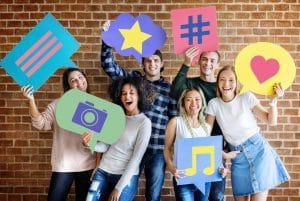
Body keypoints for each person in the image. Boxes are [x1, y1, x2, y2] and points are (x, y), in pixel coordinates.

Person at [101, 21, 178, 201]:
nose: (152, 64)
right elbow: (109, 66)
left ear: (161, 64)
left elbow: (174, 119)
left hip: (157, 149)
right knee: (125, 190)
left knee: (153, 195)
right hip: (129, 147)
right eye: (148, 60)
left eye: (155, 61)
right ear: (143, 64)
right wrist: (106, 41)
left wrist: (169, 149)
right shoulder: (134, 80)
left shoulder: (170, 89)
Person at [206, 65, 290, 201]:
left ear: (236, 82)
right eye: (222, 79)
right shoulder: (214, 104)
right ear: (218, 82)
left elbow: (271, 121)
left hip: (259, 152)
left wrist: (273, 102)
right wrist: (222, 154)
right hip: (237, 157)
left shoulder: (246, 97)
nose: (226, 84)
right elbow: (205, 135)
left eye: (231, 80)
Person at [21, 68, 96, 201]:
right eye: (73, 80)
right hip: (64, 164)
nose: (79, 81)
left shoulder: (96, 105)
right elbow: (40, 124)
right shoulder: (58, 105)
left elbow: (101, 140)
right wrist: (31, 100)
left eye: (80, 77)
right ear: (69, 86)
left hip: (88, 164)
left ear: (85, 78)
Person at [82, 77, 154, 201]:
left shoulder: (144, 123)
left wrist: (118, 188)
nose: (127, 97)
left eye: (132, 93)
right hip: (103, 171)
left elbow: (136, 158)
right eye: (124, 93)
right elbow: (105, 146)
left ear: (139, 96)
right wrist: (90, 143)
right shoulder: (116, 117)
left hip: (125, 177)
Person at [170, 46, 226, 201]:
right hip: (193, 151)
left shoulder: (222, 88)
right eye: (204, 59)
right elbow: (174, 92)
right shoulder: (191, 85)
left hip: (217, 150)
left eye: (212, 60)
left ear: (217, 65)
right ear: (199, 62)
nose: (208, 63)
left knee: (216, 196)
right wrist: (186, 63)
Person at [164, 87, 227, 201]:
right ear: (183, 103)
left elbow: (210, 154)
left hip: (205, 179)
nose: (193, 103)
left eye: (197, 99)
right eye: (189, 99)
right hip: (183, 178)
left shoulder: (206, 127)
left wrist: (221, 168)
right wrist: (171, 167)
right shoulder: (176, 122)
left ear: (202, 102)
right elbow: (167, 149)